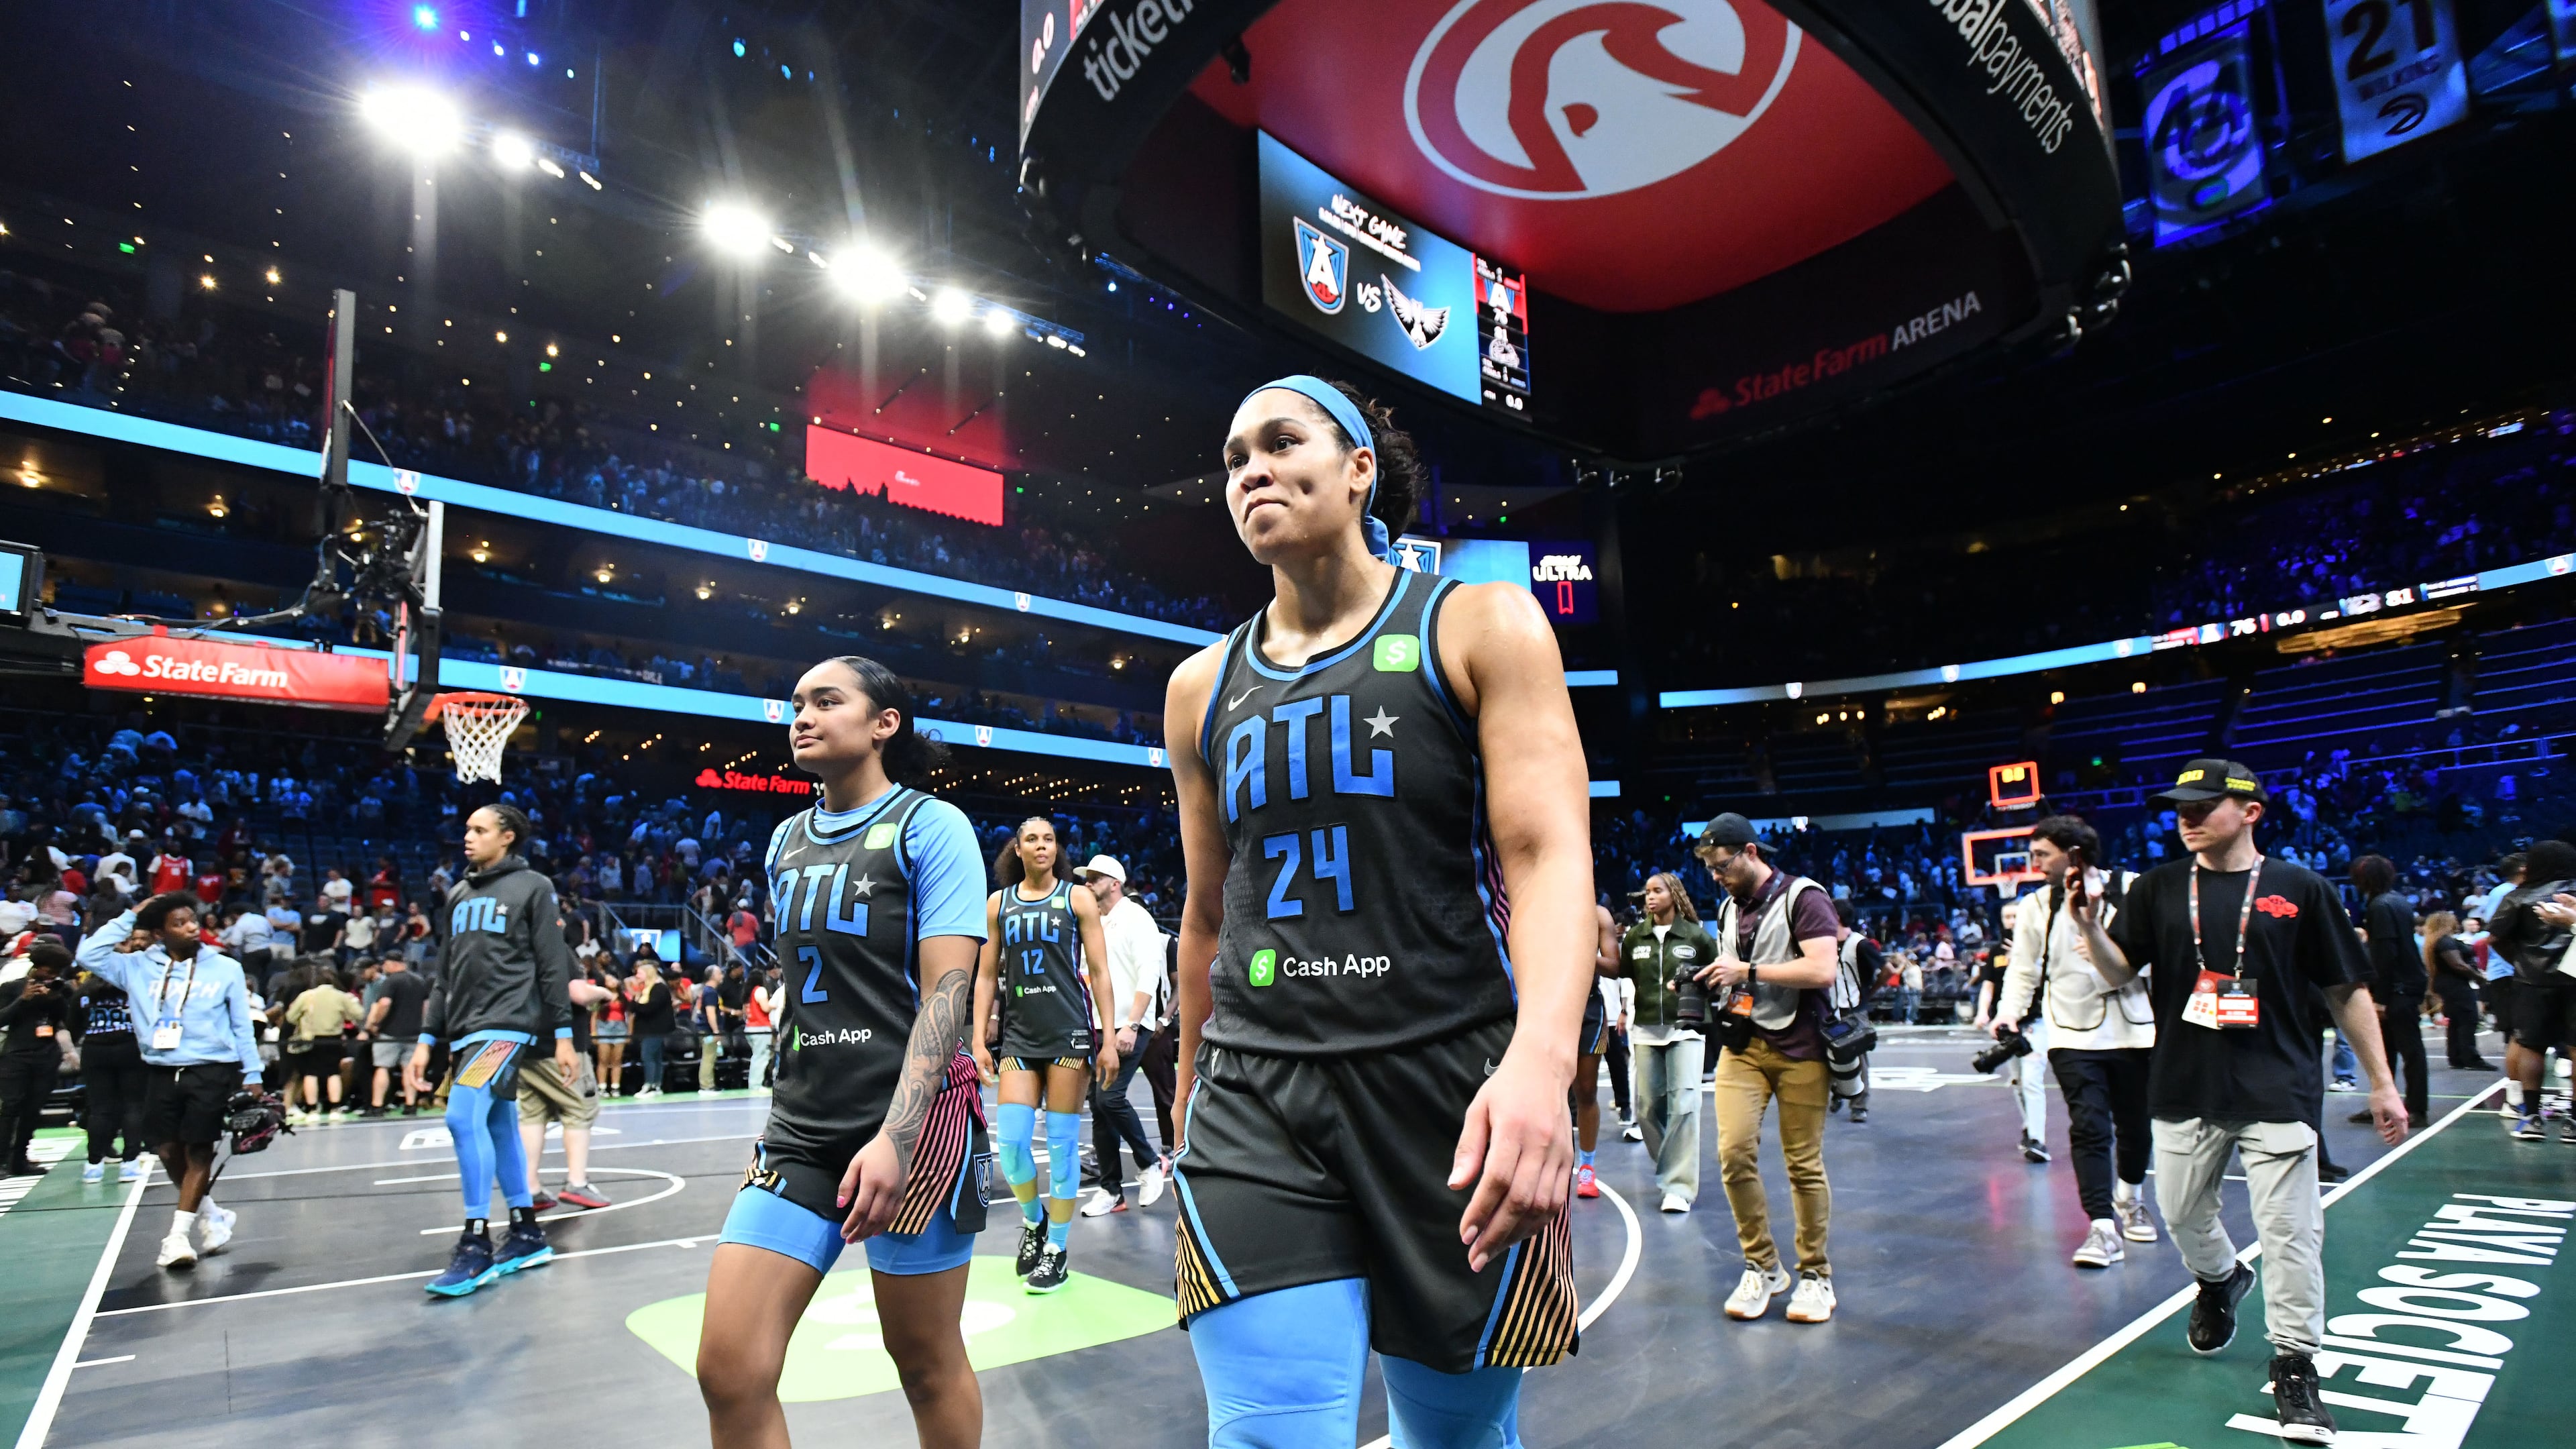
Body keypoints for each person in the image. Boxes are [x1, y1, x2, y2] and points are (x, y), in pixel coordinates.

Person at [1164, 376, 1591, 1446]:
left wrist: (1543, 1067)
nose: (1251, 471)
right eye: (1234, 459)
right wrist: (1187, 1083)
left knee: (1455, 1438)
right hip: (1256, 1091)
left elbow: (1546, 856)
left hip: (1451, 1085)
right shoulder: (1201, 686)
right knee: (1265, 1434)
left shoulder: (1480, 622)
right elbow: (1206, 915)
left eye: (1281, 442)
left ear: (1360, 469)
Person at [2067, 759, 2406, 1446]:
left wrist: (2381, 1080)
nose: (2186, 817)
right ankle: (2220, 1279)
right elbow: (2119, 971)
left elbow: (2346, 988)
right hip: (2184, 1082)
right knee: (2180, 1211)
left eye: (2203, 805)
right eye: (2181, 807)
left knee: (2290, 1231)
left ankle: (2295, 1366)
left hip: (2277, 1085)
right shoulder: (2159, 887)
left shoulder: (2301, 889)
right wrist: (2091, 927)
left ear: (2251, 812)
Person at [696, 655, 989, 1449]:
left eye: (827, 701)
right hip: (804, 1131)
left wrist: (897, 1138)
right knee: (729, 1369)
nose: (803, 716)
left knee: (924, 1363)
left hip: (916, 1130)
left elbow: (947, 998)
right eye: (797, 703)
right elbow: (806, 995)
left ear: (884, 724)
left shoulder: (932, 826)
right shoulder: (784, 840)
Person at [402, 804, 578, 1297]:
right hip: (465, 1029)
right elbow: (444, 976)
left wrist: (564, 1035)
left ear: (507, 837)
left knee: (461, 1118)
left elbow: (552, 965)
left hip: (506, 1026)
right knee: (499, 1123)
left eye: (479, 830)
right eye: (467, 829)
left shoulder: (534, 887)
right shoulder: (458, 893)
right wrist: (426, 1040)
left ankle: (476, 1243)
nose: (468, 837)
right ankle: (526, 1233)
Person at [1692, 813, 1843, 1325]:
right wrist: (1711, 979)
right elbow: (1737, 974)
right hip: (1744, 1046)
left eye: (1722, 866)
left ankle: (1816, 1275)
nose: (1717, 877)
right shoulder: (1728, 907)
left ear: (1751, 852)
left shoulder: (1805, 897)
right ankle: (1762, 1266)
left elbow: (1822, 968)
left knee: (1803, 1164)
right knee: (1733, 1154)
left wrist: (1748, 970)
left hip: (1803, 1048)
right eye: (1711, 870)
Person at [1994, 815, 2156, 1269]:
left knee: (2136, 1126)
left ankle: (2131, 1196)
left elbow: (2160, 954)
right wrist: (2008, 1011)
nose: (2035, 863)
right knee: (2089, 1126)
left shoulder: (2133, 889)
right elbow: (2023, 967)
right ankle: (2102, 1226)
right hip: (2069, 1030)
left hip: (2135, 1028)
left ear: (2074, 854)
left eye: (2042, 854)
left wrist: (2114, 953)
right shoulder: (2034, 905)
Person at [76, 891, 267, 1269]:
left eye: (193, 919)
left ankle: (177, 1237)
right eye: (179, 923)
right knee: (167, 1151)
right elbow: (87, 954)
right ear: (159, 933)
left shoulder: (225, 967)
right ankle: (212, 1215)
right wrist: (132, 915)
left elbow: (241, 1026)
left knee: (199, 1151)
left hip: (211, 1069)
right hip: (161, 1069)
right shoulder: (136, 966)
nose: (192, 927)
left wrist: (253, 1072)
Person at [971, 817, 1116, 1291]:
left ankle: (1057, 1248)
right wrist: (979, 1039)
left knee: (1061, 1146)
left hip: (1068, 1035)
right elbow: (986, 976)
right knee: (1012, 1146)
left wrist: (1108, 1039)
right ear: (1017, 848)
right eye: (1031, 839)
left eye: (1048, 839)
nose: (1041, 846)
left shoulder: (1077, 898)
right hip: (1020, 1038)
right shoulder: (999, 904)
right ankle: (1034, 1221)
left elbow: (1099, 971)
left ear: (1057, 849)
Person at [1073, 854, 1172, 1219]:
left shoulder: (1135, 917)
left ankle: (1149, 1162)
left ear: (1115, 883)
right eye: (1086, 878)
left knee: (1109, 1098)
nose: (1087, 883)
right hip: (1100, 1024)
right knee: (1100, 1107)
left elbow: (1149, 974)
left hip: (1130, 1024)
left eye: (1095, 878)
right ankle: (1111, 1190)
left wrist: (1131, 1024)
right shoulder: (1094, 921)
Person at [1619, 872, 1719, 1211]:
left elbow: (1716, 977)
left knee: (1685, 1105)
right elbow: (1626, 976)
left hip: (1686, 1028)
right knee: (1647, 1109)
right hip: (1646, 1030)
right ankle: (1672, 1166)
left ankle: (1678, 1187)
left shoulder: (1696, 936)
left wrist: (1700, 987)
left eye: (1657, 891)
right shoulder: (1635, 937)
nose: (1650, 897)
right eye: (1647, 892)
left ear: (1674, 894)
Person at [2488, 839, 2576, 1143]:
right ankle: (2574, 1122)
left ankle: (2532, 1117)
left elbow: (2495, 937)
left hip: (2532, 981)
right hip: (2575, 977)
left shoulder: (2519, 896)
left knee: (2531, 1046)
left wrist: (2521, 960)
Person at [521, 969, 615, 1212]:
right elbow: (578, 993)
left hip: (525, 1041)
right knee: (582, 1108)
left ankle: (529, 1188)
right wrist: (604, 993)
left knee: (533, 1112)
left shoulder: (520, 951)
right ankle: (577, 1182)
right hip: (559, 1044)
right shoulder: (555, 951)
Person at [2349, 855, 2428, 1128]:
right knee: (2395, 1049)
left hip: (2397, 988)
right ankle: (2392, 1105)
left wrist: (2381, 999)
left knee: (2405, 1049)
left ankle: (2416, 1109)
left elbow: (2386, 955)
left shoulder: (2379, 906)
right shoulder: (2398, 901)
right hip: (2407, 983)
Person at [0, 942, 73, 1175]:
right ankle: (1, 1161)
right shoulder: (11, 988)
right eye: (49, 972)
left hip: (46, 1057)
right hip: (16, 1056)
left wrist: (55, 997)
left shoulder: (61, 990)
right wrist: (23, 999)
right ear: (37, 967)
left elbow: (68, 1020)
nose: (52, 977)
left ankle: (19, 1161)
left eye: (56, 973)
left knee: (32, 1111)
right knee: (10, 1109)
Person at [76, 957, 150, 1181]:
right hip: (130, 1048)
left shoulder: (84, 992)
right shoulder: (133, 987)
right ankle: (130, 1163)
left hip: (94, 1050)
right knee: (133, 1106)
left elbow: (73, 1024)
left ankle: (93, 1166)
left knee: (99, 1109)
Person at [1570, 894, 1620, 1198]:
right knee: (1546, 1091)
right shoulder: (1539, 905)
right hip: (1546, 1006)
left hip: (1588, 1009)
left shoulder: (1598, 914)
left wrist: (1579, 955)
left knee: (1586, 1091)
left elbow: (1614, 966)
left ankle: (1587, 1167)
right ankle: (1550, 1164)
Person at [283, 969, 362, 1121]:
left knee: (311, 1074)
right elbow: (358, 1014)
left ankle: (312, 1111)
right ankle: (335, 1109)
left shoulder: (306, 996)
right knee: (333, 1073)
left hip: (311, 1039)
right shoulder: (341, 996)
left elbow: (291, 1017)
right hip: (334, 1039)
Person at [1827, 900, 1881, 1123]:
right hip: (1831, 1009)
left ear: (1837, 917)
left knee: (1858, 1056)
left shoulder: (1860, 944)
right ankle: (1839, 1091)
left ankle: (1859, 1104)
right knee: (1830, 1054)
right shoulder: (1826, 943)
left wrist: (1868, 994)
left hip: (1853, 1010)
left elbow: (1885, 969)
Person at [2420, 912, 2491, 1071]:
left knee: (2456, 1021)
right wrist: (2479, 977)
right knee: (2468, 1019)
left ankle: (2457, 1057)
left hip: (2446, 984)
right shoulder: (2445, 942)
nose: (2456, 923)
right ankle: (2471, 1058)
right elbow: (2457, 964)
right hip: (2456, 985)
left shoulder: (2436, 941)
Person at [362, 955, 431, 1115]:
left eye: (385, 964)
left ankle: (377, 1106)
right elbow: (426, 1007)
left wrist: (375, 1023)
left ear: (391, 964)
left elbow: (384, 1003)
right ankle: (410, 1105)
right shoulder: (419, 980)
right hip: (414, 1033)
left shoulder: (391, 981)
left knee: (383, 1067)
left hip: (390, 1033)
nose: (383, 968)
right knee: (409, 1069)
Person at [627, 953, 675, 1097]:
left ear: (648, 974)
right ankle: (656, 1085)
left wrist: (635, 1004)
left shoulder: (659, 988)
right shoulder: (646, 989)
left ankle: (650, 1085)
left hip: (655, 1029)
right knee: (656, 1057)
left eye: (640, 973)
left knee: (648, 1056)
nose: (637, 975)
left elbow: (649, 1008)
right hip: (649, 1029)